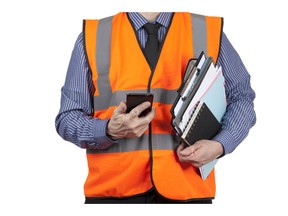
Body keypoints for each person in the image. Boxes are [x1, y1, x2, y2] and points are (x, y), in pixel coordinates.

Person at [55, 12, 256, 204]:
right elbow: (67, 118)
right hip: (112, 192)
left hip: (187, 190)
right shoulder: (93, 36)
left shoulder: (209, 30)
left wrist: (221, 144)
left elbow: (242, 97)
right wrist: (107, 130)